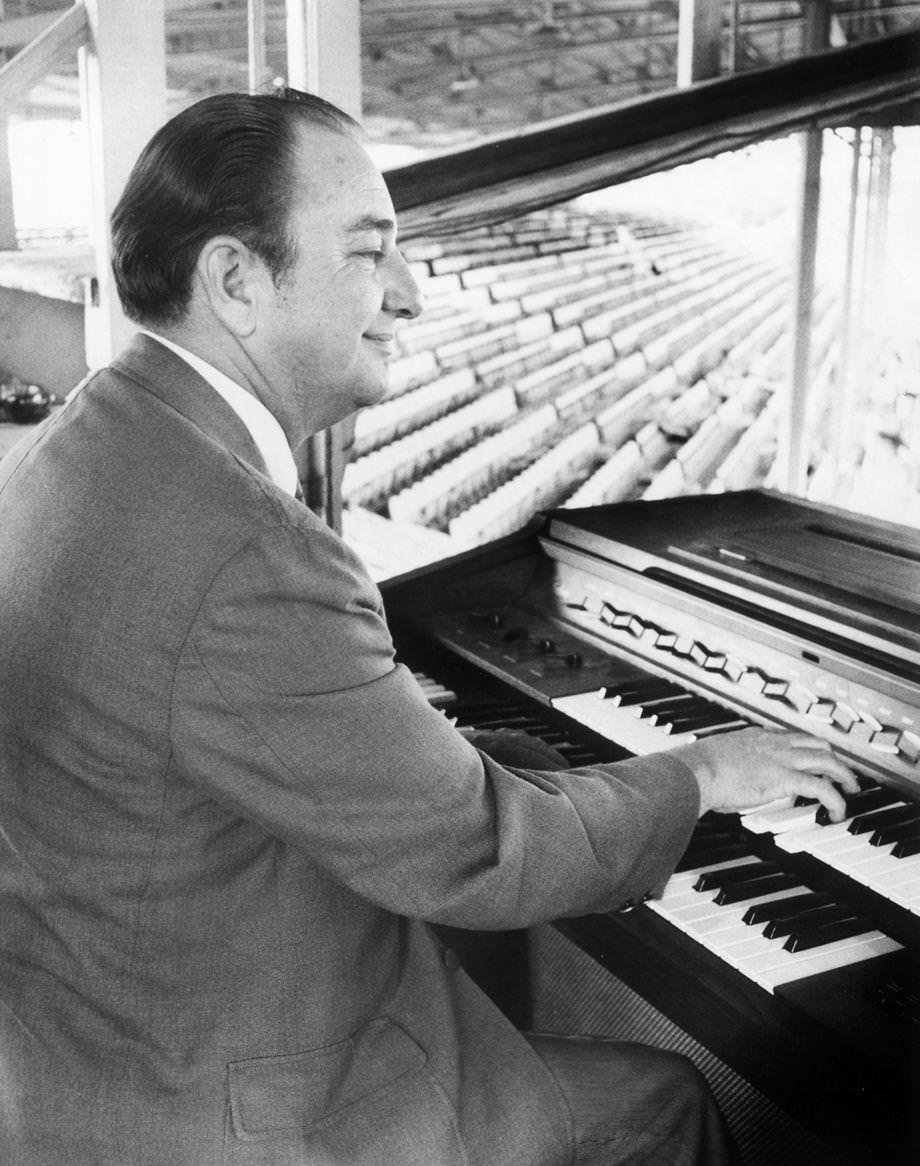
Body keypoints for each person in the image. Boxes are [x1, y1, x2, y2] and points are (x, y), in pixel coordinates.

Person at [0, 89, 858, 1166]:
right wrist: (698, 773)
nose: (409, 295)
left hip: (80, 1051)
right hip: (225, 1103)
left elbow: (255, 742)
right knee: (665, 1102)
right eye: (371, 253)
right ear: (234, 281)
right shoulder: (247, 552)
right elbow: (478, 853)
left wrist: (477, 756)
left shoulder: (76, 449)